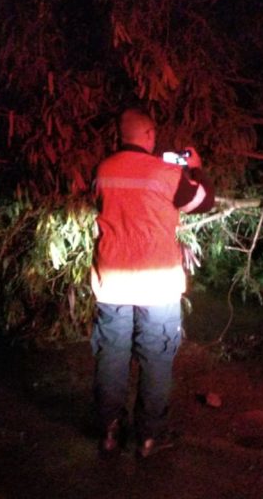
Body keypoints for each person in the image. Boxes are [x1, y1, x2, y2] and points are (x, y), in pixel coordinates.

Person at [89, 107, 215, 458]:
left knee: (111, 356)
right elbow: (204, 201)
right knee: (156, 357)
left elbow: (99, 202)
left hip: (112, 280)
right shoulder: (167, 173)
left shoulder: (103, 170)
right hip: (157, 283)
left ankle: (110, 431)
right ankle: (149, 437)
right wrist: (195, 168)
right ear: (148, 135)